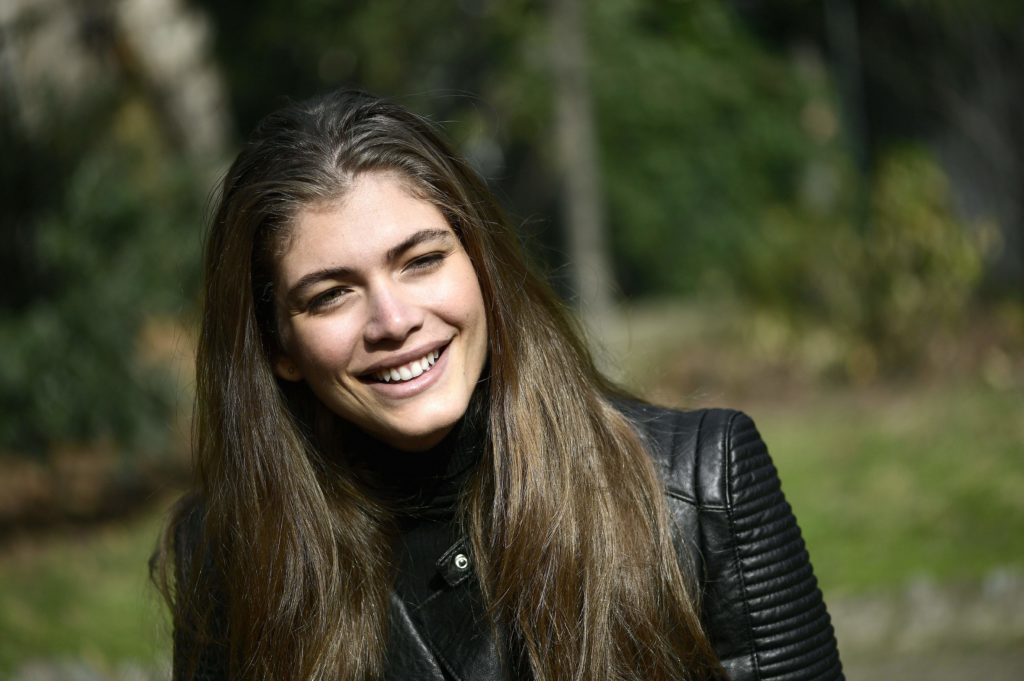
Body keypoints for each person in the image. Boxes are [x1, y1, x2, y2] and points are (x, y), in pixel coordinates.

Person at [153, 89, 844, 681]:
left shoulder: (702, 486)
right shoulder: (227, 549)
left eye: (421, 260)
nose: (394, 320)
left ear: (481, 264)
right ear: (280, 348)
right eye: (331, 294)